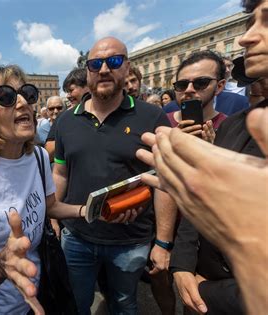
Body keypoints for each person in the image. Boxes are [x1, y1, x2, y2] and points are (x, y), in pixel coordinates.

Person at [135, 1, 268, 313]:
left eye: (267, 22)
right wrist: (181, 263)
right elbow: (197, 202)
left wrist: (211, 291)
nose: (246, 38)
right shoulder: (239, 124)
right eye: (249, 24)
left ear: (220, 85)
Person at [0, 65, 87, 315]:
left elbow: (50, 206)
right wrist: (1, 264)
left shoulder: (39, 157)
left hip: (40, 293)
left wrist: (87, 210)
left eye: (27, 93)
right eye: (6, 97)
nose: (22, 102)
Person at [53, 37, 176, 314]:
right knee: (76, 304)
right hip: (77, 237)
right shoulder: (65, 121)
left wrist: (163, 243)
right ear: (88, 71)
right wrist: (53, 215)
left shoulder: (152, 116)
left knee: (124, 305)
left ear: (127, 66)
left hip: (130, 241)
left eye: (115, 61)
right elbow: (60, 172)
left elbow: (166, 184)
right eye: (96, 64)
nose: (104, 69)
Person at [167, 50, 228, 143]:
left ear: (219, 86)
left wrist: (215, 151)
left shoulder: (231, 127)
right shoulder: (161, 121)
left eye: (201, 83)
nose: (189, 89)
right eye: (182, 84)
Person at [45, 68, 89, 161]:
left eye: (71, 90)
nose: (68, 96)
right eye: (67, 92)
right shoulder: (64, 118)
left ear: (87, 86)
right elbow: (48, 153)